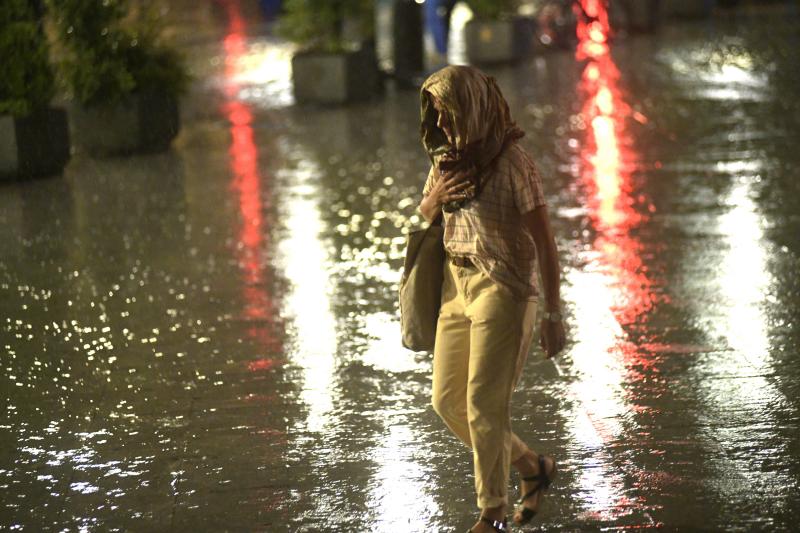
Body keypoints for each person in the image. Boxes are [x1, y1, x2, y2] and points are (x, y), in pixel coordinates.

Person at [417, 65, 566, 533]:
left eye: (448, 113)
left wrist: (554, 313)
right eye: (435, 114)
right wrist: (432, 201)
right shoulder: (445, 161)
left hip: (504, 288)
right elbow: (424, 216)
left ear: (471, 109)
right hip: (455, 287)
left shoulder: (514, 163)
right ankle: (531, 466)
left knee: (484, 402)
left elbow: (545, 240)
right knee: (446, 400)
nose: (441, 124)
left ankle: (492, 514)